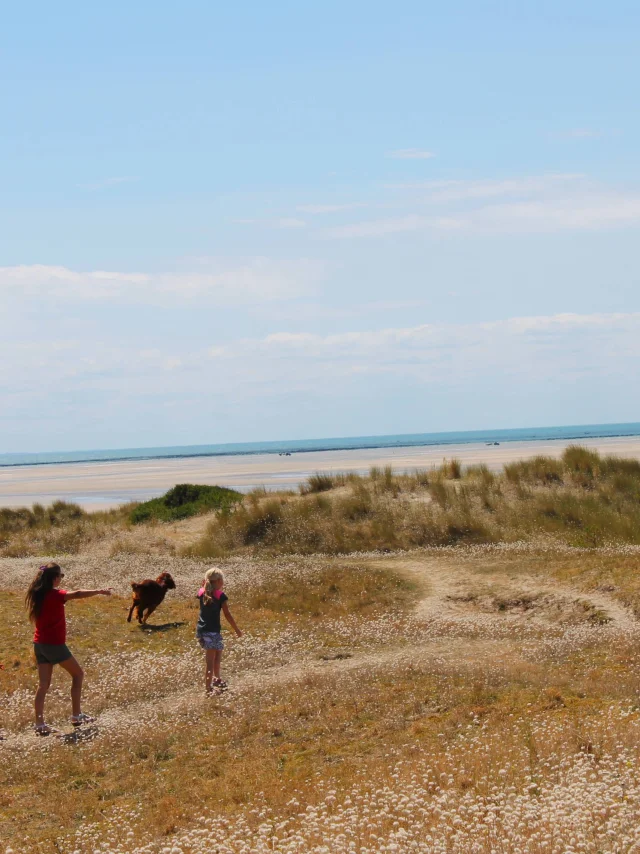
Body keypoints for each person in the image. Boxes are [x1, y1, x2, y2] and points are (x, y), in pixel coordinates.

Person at [25, 562, 112, 735]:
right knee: (78, 674)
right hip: (54, 645)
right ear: (55, 578)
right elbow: (77, 594)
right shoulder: (56, 595)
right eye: (61, 576)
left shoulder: (38, 594)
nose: (61, 579)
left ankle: (40, 724)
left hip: (39, 644)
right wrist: (99, 591)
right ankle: (76, 715)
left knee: (43, 685)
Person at [196, 567, 242, 693]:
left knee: (217, 653)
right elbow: (227, 615)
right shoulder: (220, 596)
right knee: (211, 661)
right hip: (212, 632)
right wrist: (237, 630)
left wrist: (204, 585)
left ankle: (217, 679)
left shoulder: (201, 592)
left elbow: (201, 591)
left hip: (202, 630)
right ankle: (208, 688)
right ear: (219, 581)